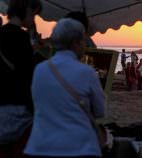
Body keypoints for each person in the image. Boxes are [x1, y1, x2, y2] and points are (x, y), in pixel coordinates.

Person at [24, 18, 105, 158]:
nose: (85, 44)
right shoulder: (86, 72)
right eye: (83, 40)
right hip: (78, 148)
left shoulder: (39, 70)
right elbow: (100, 111)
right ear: (75, 43)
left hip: (41, 147)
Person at [0, 0, 42, 157]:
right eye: (34, 14)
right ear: (26, 10)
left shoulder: (2, 33)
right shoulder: (21, 37)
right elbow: (29, 76)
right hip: (17, 111)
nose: (34, 19)